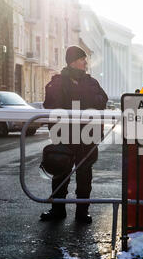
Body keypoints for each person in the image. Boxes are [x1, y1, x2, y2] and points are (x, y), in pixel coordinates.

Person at [40, 45, 108, 224]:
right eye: (81, 59)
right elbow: (51, 104)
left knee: (85, 175)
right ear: (72, 61)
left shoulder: (91, 82)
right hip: (64, 134)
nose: (85, 62)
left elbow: (103, 101)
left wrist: (82, 96)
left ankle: (82, 212)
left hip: (87, 135)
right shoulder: (57, 81)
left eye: (85, 59)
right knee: (60, 172)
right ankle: (57, 209)